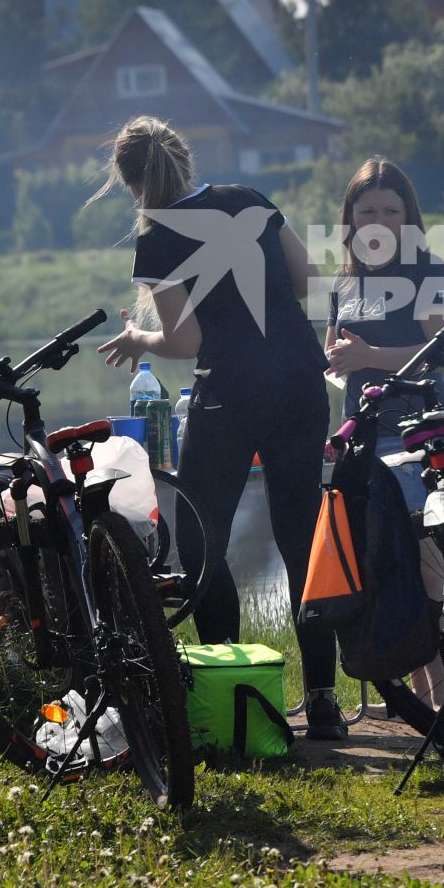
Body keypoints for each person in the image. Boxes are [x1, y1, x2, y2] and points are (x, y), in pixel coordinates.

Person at [89, 117, 346, 739]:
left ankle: (235, 690)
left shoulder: (155, 240)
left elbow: (185, 339)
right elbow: (311, 277)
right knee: (300, 540)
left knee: (201, 542)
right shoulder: (246, 200)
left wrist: (138, 336)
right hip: (300, 384)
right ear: (183, 157)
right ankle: (323, 704)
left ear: (128, 183)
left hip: (229, 396)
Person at [322, 157, 444, 716]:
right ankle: (425, 706)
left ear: (408, 216)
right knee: (386, 569)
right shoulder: (345, 281)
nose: (378, 219)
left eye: (390, 209)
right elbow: (338, 361)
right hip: (365, 434)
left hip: (420, 430)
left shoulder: (430, 271)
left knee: (428, 566)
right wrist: (336, 366)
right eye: (367, 210)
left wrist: (368, 356)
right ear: (351, 219)